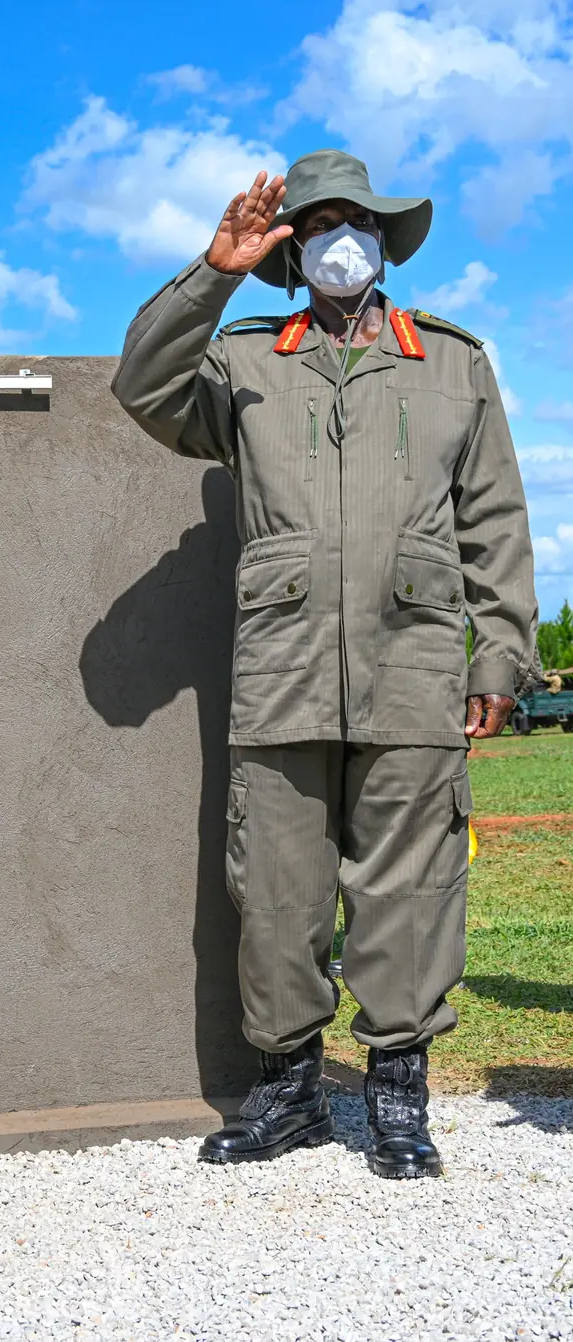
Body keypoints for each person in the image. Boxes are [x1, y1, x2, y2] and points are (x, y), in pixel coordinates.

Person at [112, 151, 536, 1178]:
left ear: (383, 239)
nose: (339, 237)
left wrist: (504, 654)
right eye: (316, 225)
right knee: (276, 889)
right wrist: (214, 272)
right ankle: (288, 1090)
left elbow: (493, 517)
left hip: (415, 662)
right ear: (294, 253)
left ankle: (395, 1089)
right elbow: (142, 386)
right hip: (283, 667)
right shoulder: (247, 362)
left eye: (355, 220)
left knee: (411, 882)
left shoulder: (452, 362)